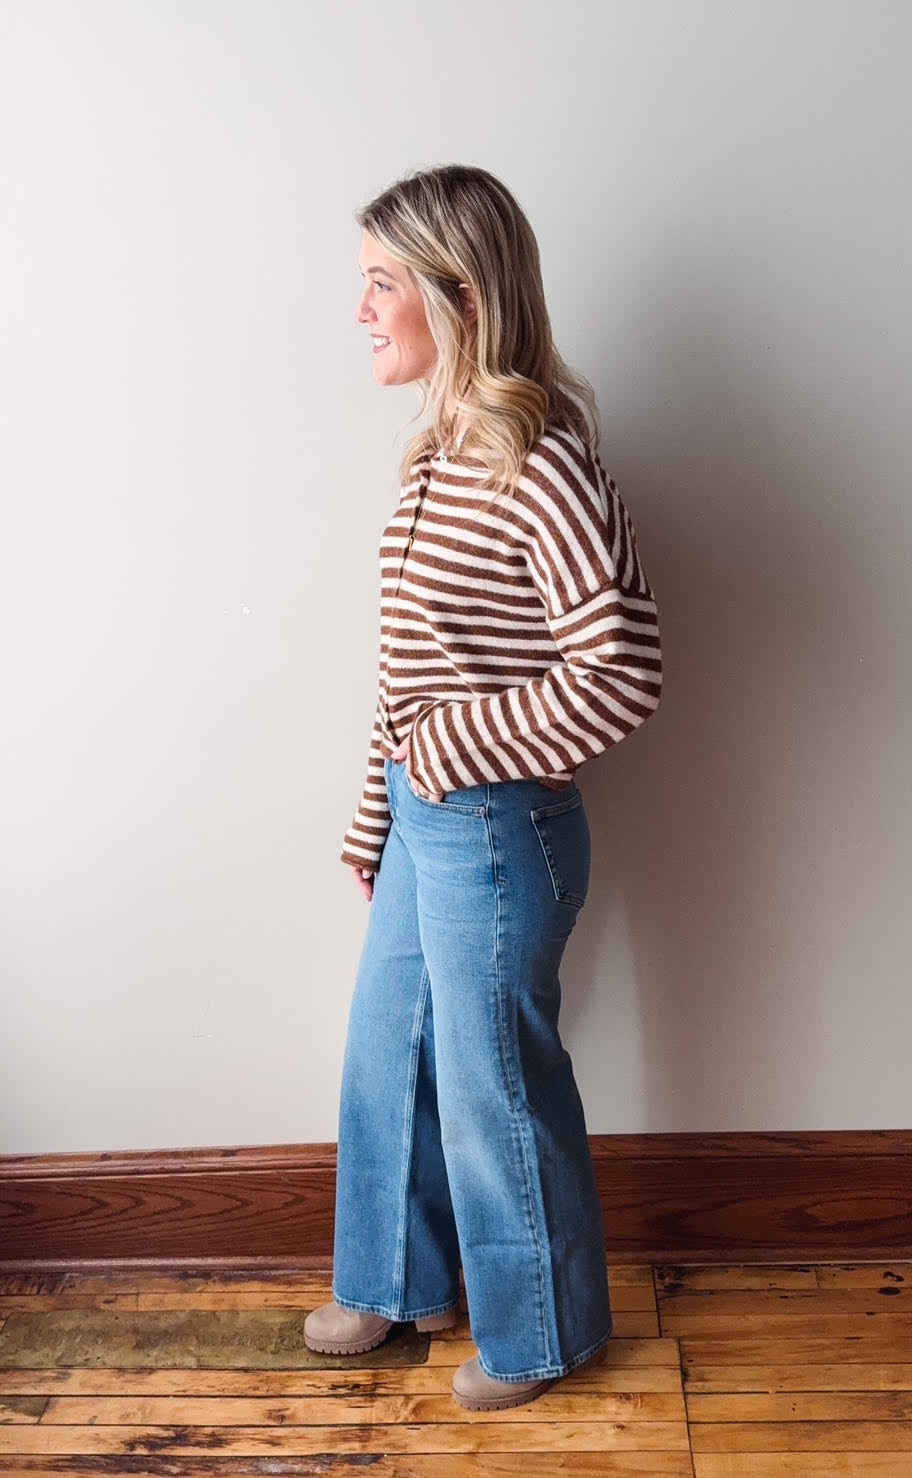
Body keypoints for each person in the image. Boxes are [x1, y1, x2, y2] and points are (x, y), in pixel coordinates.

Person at [304, 164, 662, 1412]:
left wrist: (453, 750)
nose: (359, 310)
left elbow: (624, 671)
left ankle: (544, 1332)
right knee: (385, 1055)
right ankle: (394, 1278)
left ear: (460, 294)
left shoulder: (545, 462)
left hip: (502, 828)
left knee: (491, 1081)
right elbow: (410, 671)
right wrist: (379, 810)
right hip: (425, 817)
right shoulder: (431, 456)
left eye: (381, 284)